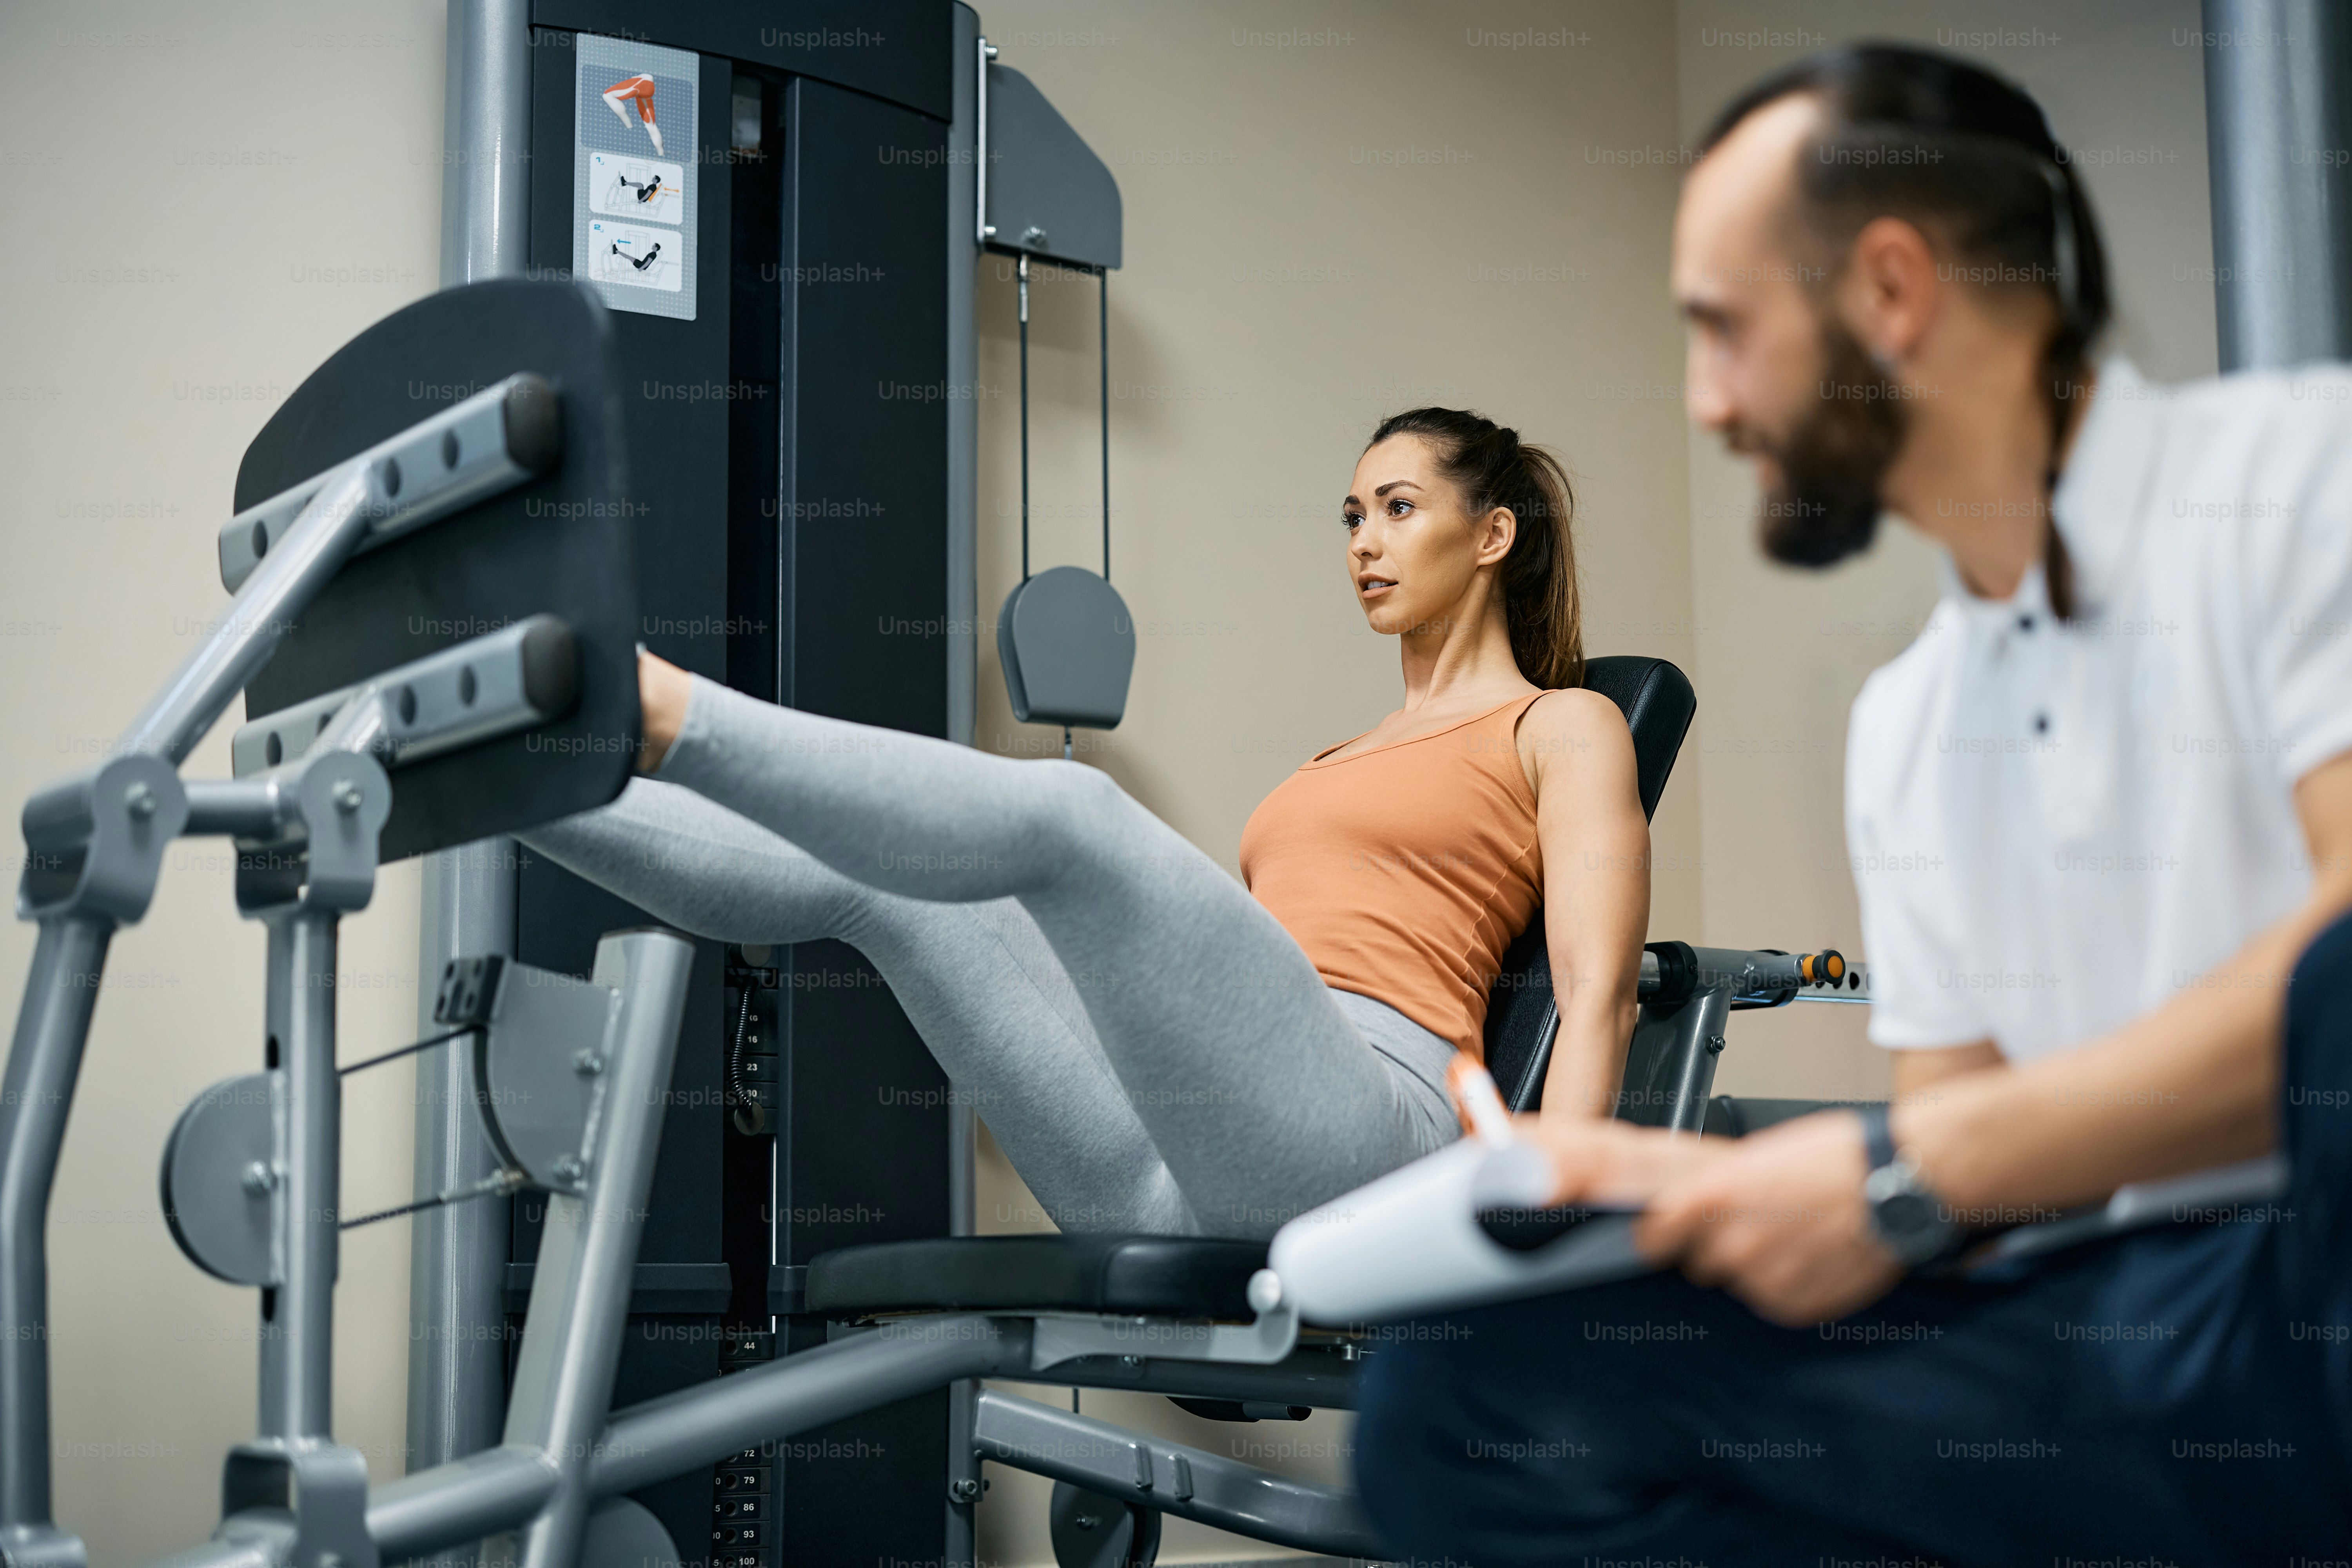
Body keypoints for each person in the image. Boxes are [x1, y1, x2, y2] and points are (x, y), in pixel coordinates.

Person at [1353, 44, 2352, 1564]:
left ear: (1890, 289)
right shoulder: (1911, 721)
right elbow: (1969, 1175)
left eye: (1725, 329)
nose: (1707, 402)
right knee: (1473, 1393)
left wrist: (1905, 1170)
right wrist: (1715, 1192)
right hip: (2112, 1332)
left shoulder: (2306, 470)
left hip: (2305, 1271)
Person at [521, 408, 1651, 1240]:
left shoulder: (1563, 723)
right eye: (1352, 516)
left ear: (1492, 536)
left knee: (1077, 814)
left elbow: (1595, 990)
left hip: (1372, 1141)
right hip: (1181, 1175)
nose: (1363, 541)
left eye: (1399, 510)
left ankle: (660, 708)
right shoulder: (1335, 762)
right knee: (899, 882)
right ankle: (514, 784)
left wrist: (1547, 1221)